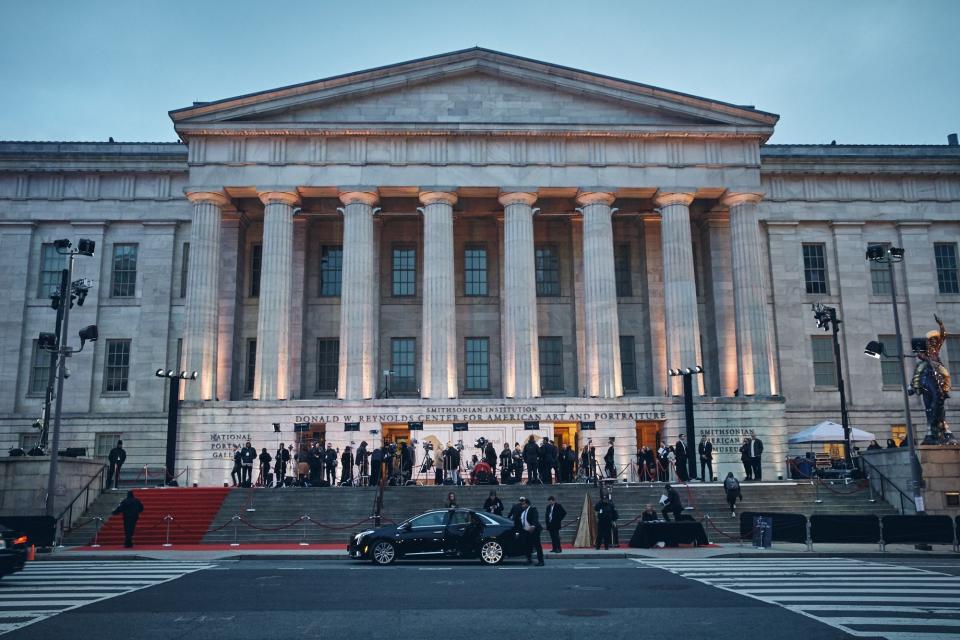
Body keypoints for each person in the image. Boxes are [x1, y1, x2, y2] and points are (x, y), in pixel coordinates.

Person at [513, 497, 543, 566]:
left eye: (523, 504)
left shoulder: (533, 509)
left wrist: (533, 526)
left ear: (527, 504)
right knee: (527, 546)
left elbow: (535, 518)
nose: (522, 505)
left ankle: (541, 561)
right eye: (522, 504)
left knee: (537, 546)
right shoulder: (522, 512)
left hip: (534, 530)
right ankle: (529, 560)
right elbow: (519, 522)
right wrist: (517, 532)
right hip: (526, 531)